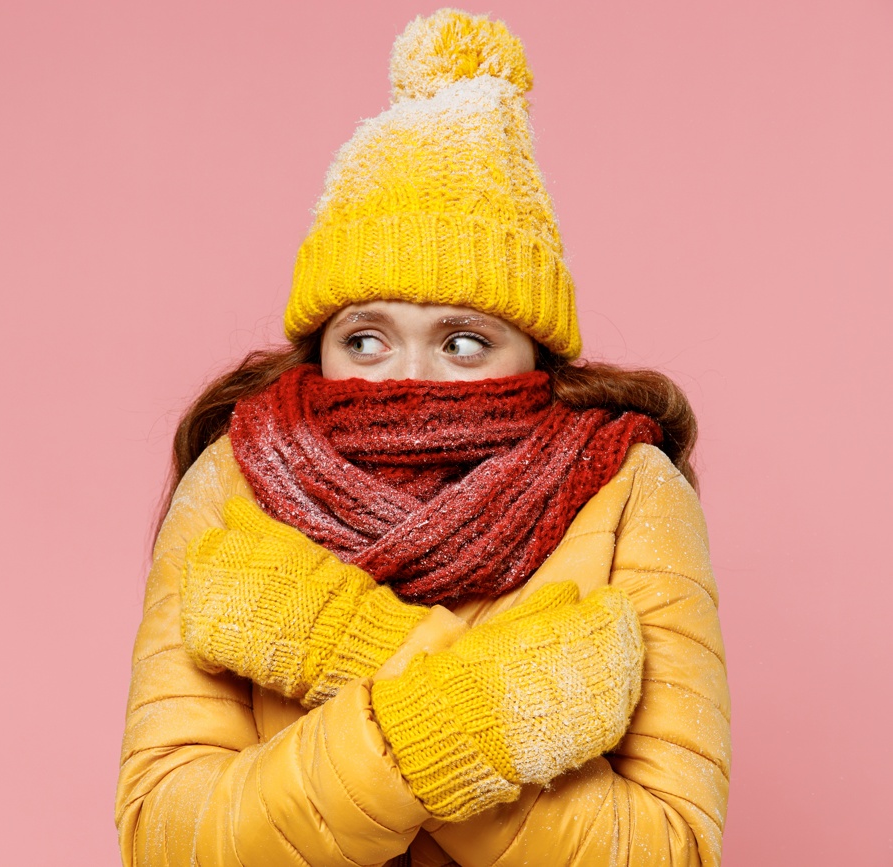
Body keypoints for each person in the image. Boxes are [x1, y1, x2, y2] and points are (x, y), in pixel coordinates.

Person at [115, 10, 730, 867]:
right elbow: (165, 837)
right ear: (322, 341)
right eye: (365, 337)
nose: (408, 377)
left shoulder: (629, 492)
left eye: (462, 341)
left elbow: (673, 848)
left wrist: (348, 656)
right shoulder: (233, 481)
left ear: (533, 349)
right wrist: (495, 713)